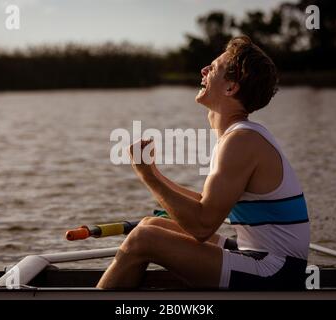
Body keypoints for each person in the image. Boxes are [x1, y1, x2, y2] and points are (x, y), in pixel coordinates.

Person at [97, 35, 310, 290]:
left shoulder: (241, 141)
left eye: (214, 68)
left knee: (145, 238)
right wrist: (153, 171)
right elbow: (206, 204)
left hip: (276, 272)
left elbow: (202, 227)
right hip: (263, 256)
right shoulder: (242, 134)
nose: (204, 70)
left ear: (231, 88)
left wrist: (148, 177)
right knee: (150, 224)